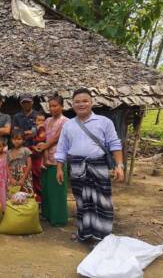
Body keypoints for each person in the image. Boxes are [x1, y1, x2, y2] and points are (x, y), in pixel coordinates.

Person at [55, 88, 124, 242]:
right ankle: (84, 234)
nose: (81, 104)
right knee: (82, 202)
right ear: (72, 105)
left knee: (102, 202)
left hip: (98, 166)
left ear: (92, 102)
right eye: (77, 102)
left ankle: (102, 237)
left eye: (85, 101)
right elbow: (62, 148)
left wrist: (119, 165)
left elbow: (115, 144)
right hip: (77, 167)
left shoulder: (104, 122)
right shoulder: (68, 125)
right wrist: (59, 168)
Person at [39, 95, 69, 226]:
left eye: (55, 105)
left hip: (59, 159)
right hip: (47, 159)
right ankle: (48, 215)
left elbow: (57, 138)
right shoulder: (47, 121)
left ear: (62, 106)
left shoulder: (66, 121)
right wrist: (43, 156)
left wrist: (44, 146)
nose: (52, 108)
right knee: (46, 189)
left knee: (58, 189)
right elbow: (44, 138)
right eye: (50, 106)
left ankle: (59, 219)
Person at [7, 129, 33, 194]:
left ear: (23, 140)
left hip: (24, 176)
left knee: (25, 195)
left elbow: (29, 164)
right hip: (12, 177)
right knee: (12, 195)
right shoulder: (8, 152)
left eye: (19, 139)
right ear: (11, 140)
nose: (16, 141)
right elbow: (6, 166)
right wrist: (11, 178)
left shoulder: (26, 150)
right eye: (14, 139)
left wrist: (23, 178)